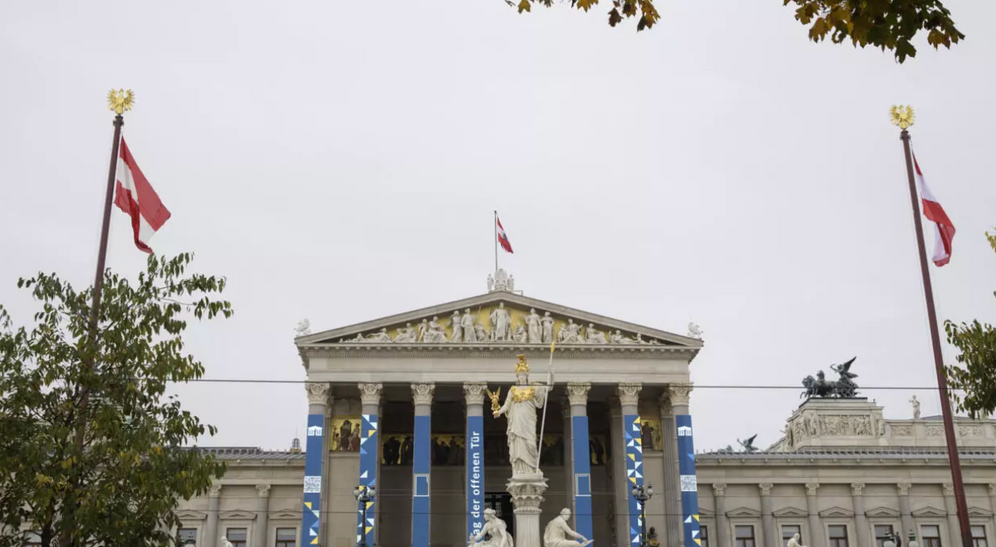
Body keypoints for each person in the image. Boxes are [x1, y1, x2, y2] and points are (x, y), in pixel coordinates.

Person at [494, 355, 547, 476]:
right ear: (517, 377)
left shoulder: (533, 388)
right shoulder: (513, 390)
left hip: (528, 419)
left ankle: (533, 468)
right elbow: (507, 405)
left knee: (531, 444)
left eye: (524, 375)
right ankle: (519, 470)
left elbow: (546, 391)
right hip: (517, 419)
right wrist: (499, 412)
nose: (522, 377)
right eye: (520, 376)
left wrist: (548, 380)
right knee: (518, 444)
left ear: (527, 376)